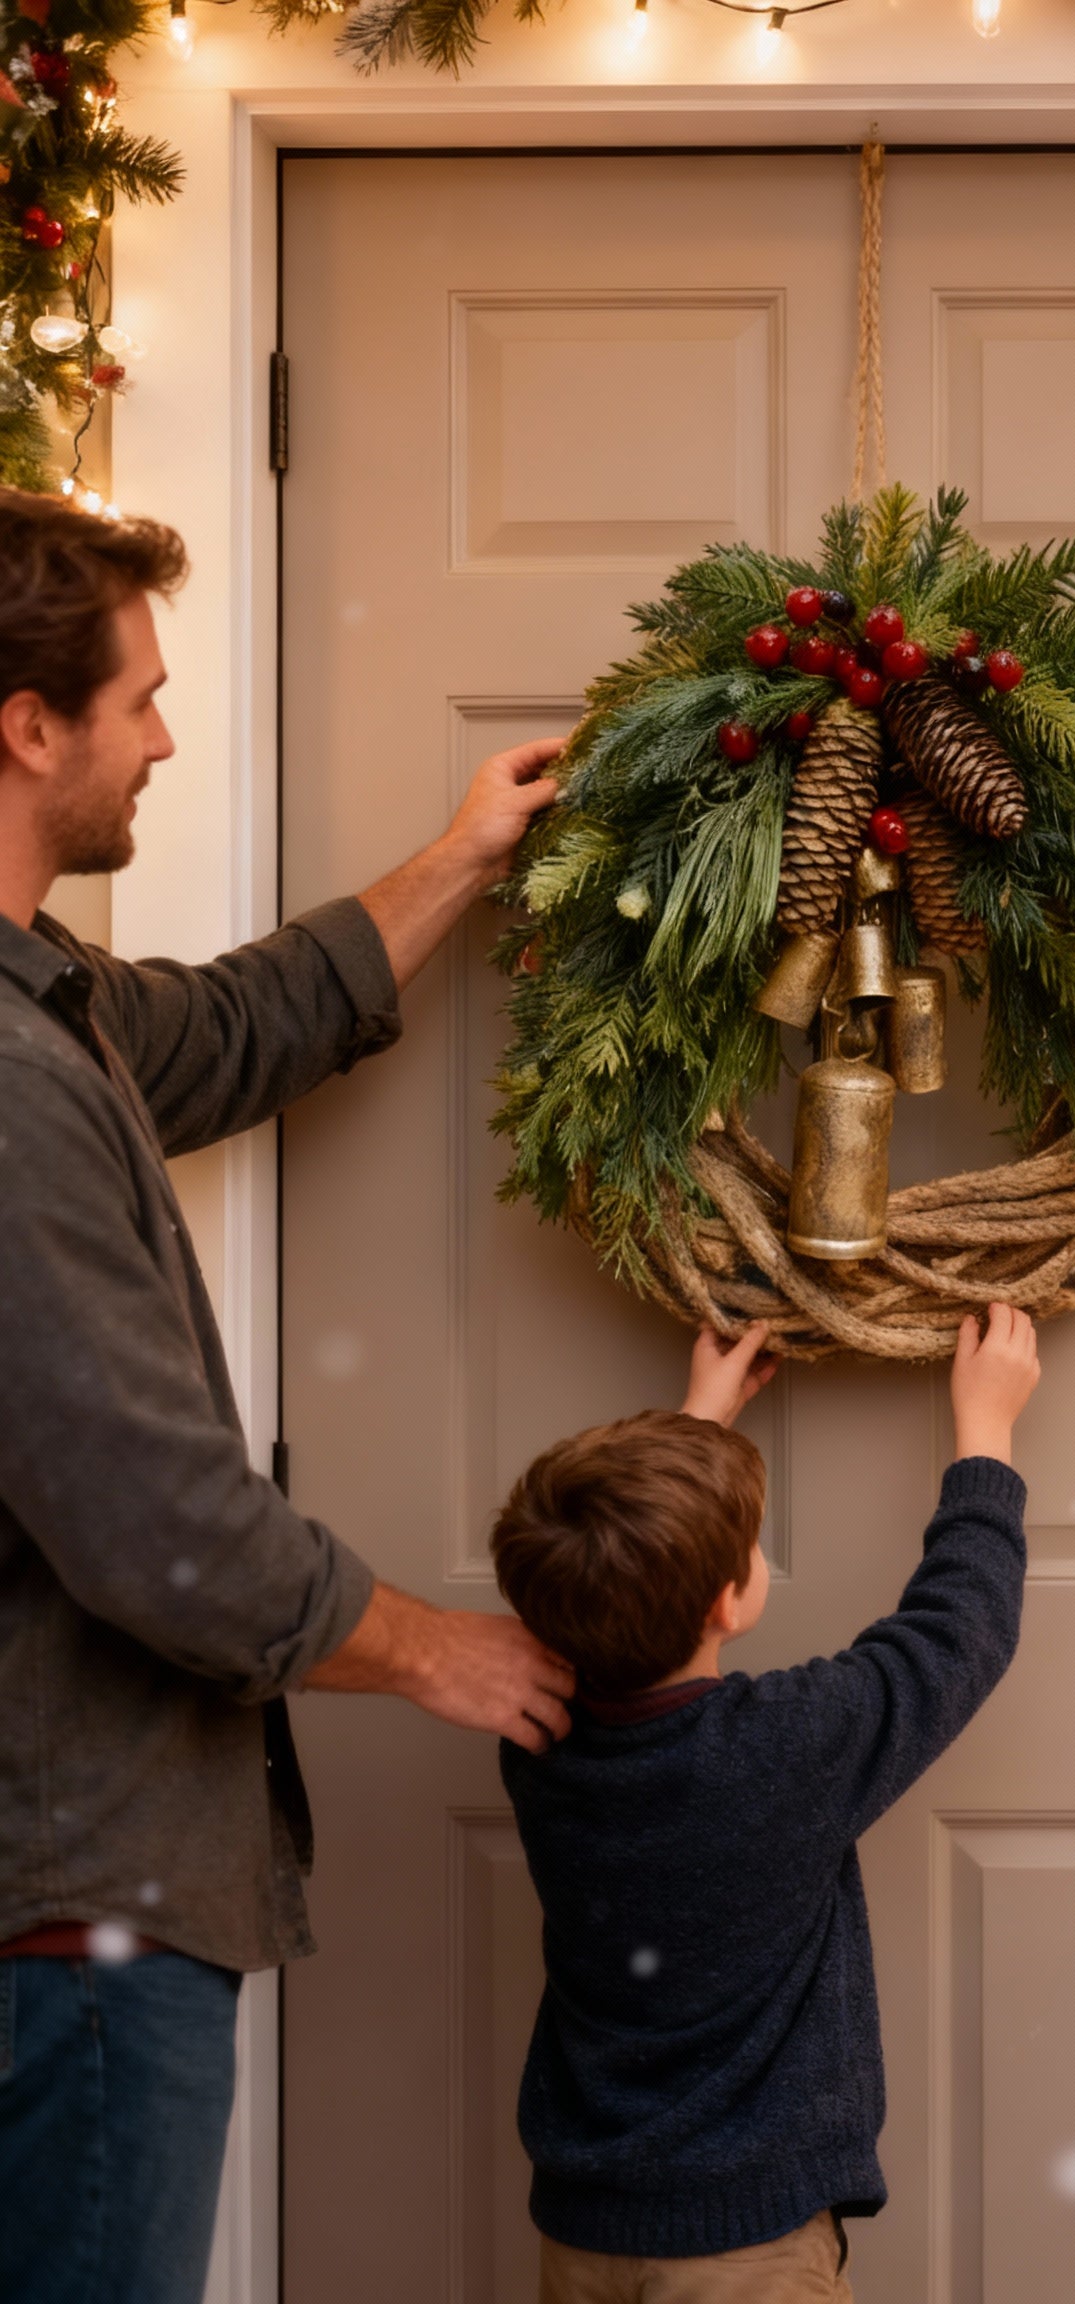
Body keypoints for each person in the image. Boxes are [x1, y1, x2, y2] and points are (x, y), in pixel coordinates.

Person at [0, 484, 578, 2303]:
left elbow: (231, 1022)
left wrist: (463, 854)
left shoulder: (52, 1009)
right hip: (65, 1918)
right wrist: (435, 1646)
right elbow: (157, 1525)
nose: (165, 735)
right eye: (139, 697)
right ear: (27, 727)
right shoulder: (3, 1085)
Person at [490, 1301, 1041, 2304]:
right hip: (745, 2249)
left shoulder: (535, 1738)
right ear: (728, 1602)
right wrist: (986, 1431)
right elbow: (960, 1631)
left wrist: (700, 1424)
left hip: (583, 2230)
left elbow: (602, 1589)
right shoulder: (789, 1749)